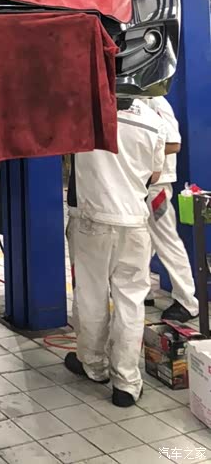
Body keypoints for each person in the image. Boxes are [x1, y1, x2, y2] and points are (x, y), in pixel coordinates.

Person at [65, 98, 166, 407]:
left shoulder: (84, 109)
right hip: (134, 223)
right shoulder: (153, 119)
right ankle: (126, 383)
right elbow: (155, 175)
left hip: (91, 221)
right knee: (131, 303)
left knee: (91, 297)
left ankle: (94, 366)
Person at [144, 96, 199, 323]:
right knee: (142, 240)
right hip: (141, 184)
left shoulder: (157, 103)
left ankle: (187, 302)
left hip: (156, 188)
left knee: (166, 239)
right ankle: (144, 290)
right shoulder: (138, 102)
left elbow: (174, 143)